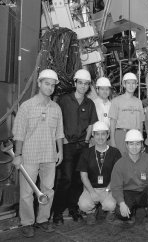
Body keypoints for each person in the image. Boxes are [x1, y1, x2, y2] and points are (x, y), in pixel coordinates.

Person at [12, 69, 64, 238]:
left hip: (49, 156)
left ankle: (43, 219)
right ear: (39, 83)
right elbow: (19, 133)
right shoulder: (26, 107)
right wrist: (18, 155)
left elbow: (59, 133)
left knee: (48, 190)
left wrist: (60, 152)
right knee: (27, 192)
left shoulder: (56, 108)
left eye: (52, 85)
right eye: (46, 84)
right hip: (29, 156)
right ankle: (27, 222)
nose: (50, 88)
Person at [52, 69, 98, 224]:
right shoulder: (64, 100)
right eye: (81, 83)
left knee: (78, 180)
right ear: (75, 83)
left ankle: (73, 208)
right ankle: (57, 212)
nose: (83, 86)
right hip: (67, 145)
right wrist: (63, 139)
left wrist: (86, 141)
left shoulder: (89, 103)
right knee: (65, 179)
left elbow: (91, 124)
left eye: (86, 84)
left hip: (82, 146)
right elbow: (58, 122)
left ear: (89, 86)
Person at [110, 129, 148, 233]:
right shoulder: (120, 163)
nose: (134, 147)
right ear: (126, 145)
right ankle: (131, 214)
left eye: (137, 144)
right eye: (131, 144)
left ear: (142, 145)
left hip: (145, 192)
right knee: (120, 213)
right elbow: (116, 186)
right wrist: (121, 203)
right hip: (129, 193)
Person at [77, 121, 121, 225]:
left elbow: (117, 175)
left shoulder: (115, 152)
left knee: (111, 205)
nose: (100, 137)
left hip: (109, 187)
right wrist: (92, 192)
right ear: (93, 135)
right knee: (83, 204)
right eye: (97, 134)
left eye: (103, 134)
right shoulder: (86, 153)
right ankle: (91, 212)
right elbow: (83, 176)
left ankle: (111, 212)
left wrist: (107, 189)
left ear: (108, 135)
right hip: (91, 187)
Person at [109, 72, 144, 154]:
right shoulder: (116, 101)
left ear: (136, 85)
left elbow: (141, 123)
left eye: (133, 83)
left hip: (135, 135)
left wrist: (141, 139)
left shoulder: (138, 102)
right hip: (121, 135)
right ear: (124, 85)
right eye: (128, 83)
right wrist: (112, 141)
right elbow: (112, 122)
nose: (131, 86)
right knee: (120, 160)